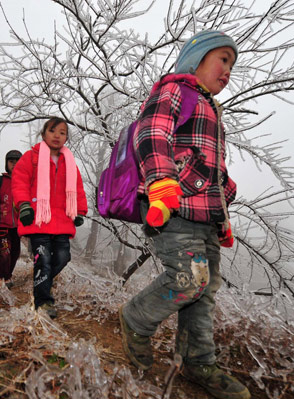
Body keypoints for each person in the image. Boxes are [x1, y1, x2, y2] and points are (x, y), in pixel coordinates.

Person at [118, 30, 250, 399]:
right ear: (197, 59)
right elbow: (151, 134)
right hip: (171, 205)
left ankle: (197, 360)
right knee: (189, 279)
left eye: (232, 64)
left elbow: (211, 168)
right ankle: (135, 318)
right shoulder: (176, 89)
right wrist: (161, 182)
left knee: (204, 290)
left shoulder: (212, 110)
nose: (228, 70)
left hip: (204, 215)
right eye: (222, 59)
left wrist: (223, 212)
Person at [12, 117, 88, 319]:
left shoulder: (69, 162)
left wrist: (79, 211)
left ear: (66, 138)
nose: (57, 135)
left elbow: (78, 189)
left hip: (62, 221)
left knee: (63, 257)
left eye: (62, 132)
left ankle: (41, 282)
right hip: (38, 220)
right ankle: (43, 302)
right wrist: (24, 205)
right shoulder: (31, 157)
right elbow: (19, 182)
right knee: (43, 260)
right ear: (44, 133)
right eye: (53, 130)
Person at [0, 150, 23, 288]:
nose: (14, 164)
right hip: (2, 225)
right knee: (4, 252)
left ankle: (7, 275)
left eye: (17, 162)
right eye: (11, 162)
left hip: (17, 226)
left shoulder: (24, 182)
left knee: (15, 253)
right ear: (6, 163)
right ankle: (3, 279)